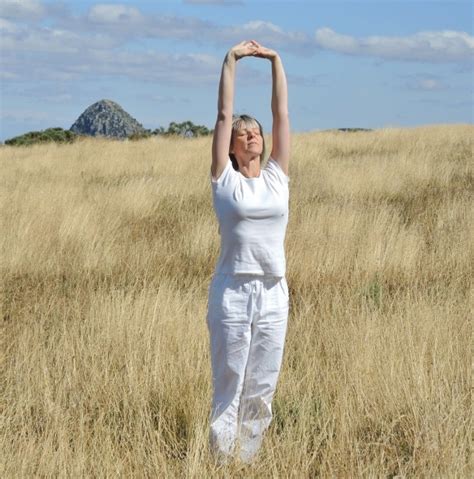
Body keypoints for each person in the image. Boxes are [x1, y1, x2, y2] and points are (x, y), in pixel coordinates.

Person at [206, 39, 290, 464]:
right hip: (233, 292)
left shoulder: (278, 176)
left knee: (262, 385)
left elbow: (282, 114)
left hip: (274, 291)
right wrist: (231, 59)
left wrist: (275, 60)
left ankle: (247, 462)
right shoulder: (226, 180)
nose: (251, 134)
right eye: (242, 134)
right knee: (230, 381)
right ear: (233, 149)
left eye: (254, 130)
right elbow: (223, 113)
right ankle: (221, 462)